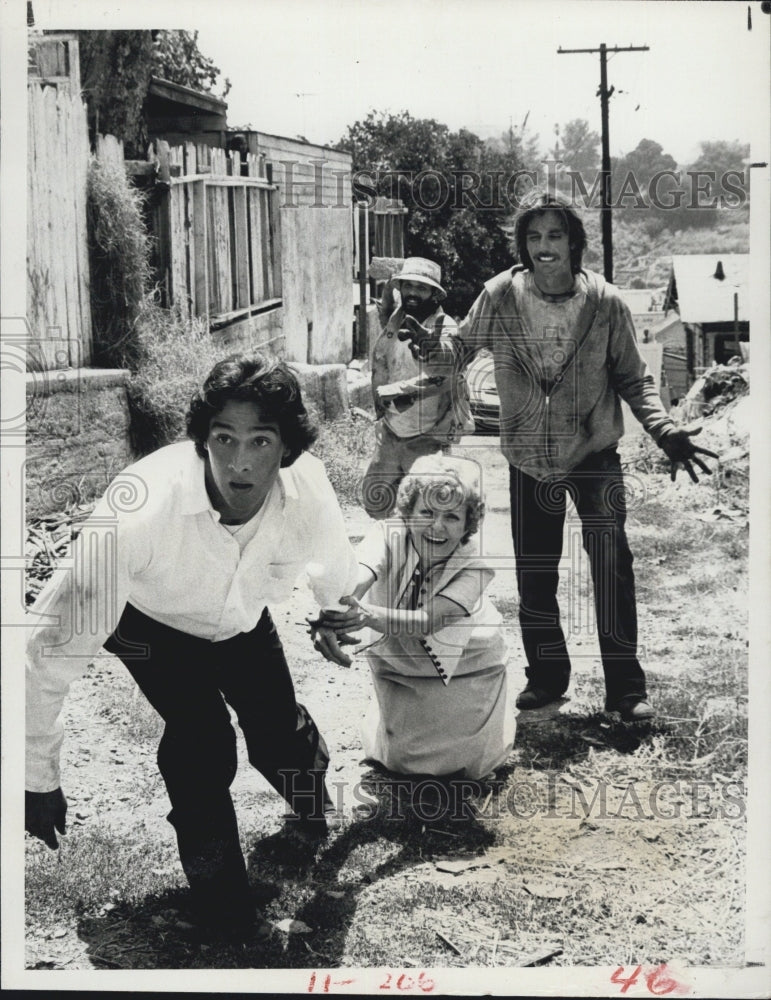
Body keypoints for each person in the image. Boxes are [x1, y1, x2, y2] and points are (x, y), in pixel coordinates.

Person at [24, 354, 359, 938]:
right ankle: (223, 905)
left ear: (287, 447)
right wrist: (36, 776)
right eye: (224, 438)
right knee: (201, 741)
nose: (239, 462)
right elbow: (45, 652)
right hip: (149, 623)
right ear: (202, 439)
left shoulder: (309, 486)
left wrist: (334, 612)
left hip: (241, 618)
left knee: (277, 731)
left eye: (260, 441)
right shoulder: (137, 511)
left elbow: (334, 561)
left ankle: (311, 805)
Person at [397, 189, 718, 723]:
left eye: (555, 235)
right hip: (529, 456)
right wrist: (431, 347)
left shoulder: (605, 302)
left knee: (612, 567)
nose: (544, 246)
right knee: (536, 574)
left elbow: (634, 377)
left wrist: (663, 429)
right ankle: (547, 678)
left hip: (594, 454)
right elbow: (460, 350)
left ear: (573, 242)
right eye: (533, 236)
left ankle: (626, 689)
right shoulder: (500, 294)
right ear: (523, 244)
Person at [316, 454, 514, 783]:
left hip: (469, 663)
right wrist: (337, 609)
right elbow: (361, 574)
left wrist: (364, 615)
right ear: (408, 512)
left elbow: (427, 621)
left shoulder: (478, 563)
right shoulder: (387, 533)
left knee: (470, 766)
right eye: (427, 512)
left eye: (452, 516)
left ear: (468, 524)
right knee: (400, 760)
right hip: (398, 662)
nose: (437, 526)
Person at [362, 257, 475, 519]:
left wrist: (400, 390)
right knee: (375, 503)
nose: (413, 292)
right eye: (408, 286)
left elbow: (445, 375)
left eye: (421, 288)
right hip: (391, 432)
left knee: (425, 511)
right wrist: (390, 283)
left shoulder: (445, 329)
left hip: (427, 437)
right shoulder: (395, 319)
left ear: (435, 294)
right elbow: (387, 306)